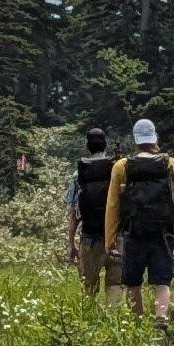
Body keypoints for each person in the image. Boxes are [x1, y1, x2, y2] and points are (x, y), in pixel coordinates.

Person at [106, 116, 174, 326]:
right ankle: (161, 318)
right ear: (154, 138)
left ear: (135, 140)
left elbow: (113, 206)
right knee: (162, 280)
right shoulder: (170, 163)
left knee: (132, 280)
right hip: (163, 231)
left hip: (134, 231)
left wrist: (110, 239)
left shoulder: (121, 166)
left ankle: (138, 323)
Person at [65, 126, 118, 298]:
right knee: (115, 286)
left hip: (89, 238)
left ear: (87, 146)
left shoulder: (78, 173)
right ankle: (115, 321)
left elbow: (73, 213)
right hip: (116, 238)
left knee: (88, 288)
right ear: (106, 145)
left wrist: (71, 243)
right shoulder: (117, 169)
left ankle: (88, 321)